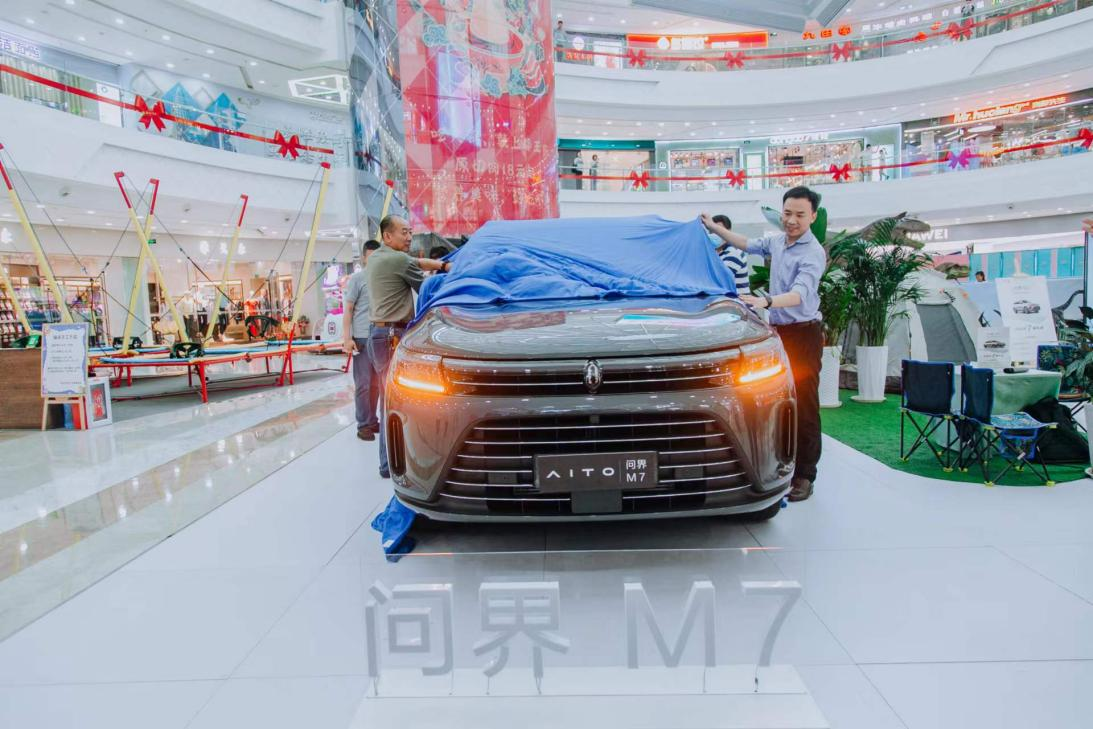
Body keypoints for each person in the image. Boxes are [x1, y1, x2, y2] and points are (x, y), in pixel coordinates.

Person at [702, 186, 826, 503]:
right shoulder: (778, 242)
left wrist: (766, 301)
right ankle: (782, 465)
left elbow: (800, 294)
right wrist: (715, 228)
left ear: (813, 216)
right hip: (780, 333)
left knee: (805, 404)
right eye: (787, 213)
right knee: (779, 400)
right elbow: (747, 243)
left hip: (804, 334)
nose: (792, 220)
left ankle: (805, 476)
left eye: (800, 215)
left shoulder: (812, 253)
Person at [367, 216, 451, 478]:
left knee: (386, 397)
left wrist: (443, 264)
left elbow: (416, 262)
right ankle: (388, 465)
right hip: (392, 335)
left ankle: (387, 462)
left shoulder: (377, 257)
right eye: (403, 232)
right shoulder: (398, 260)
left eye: (410, 232)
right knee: (394, 401)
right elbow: (427, 287)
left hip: (378, 334)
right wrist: (454, 277)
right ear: (387, 236)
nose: (409, 237)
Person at [343, 240, 382, 441]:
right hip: (361, 337)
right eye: (371, 256)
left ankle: (372, 420)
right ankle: (363, 424)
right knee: (363, 383)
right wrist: (347, 338)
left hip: (379, 337)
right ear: (364, 258)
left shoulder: (383, 277)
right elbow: (348, 309)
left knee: (376, 383)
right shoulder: (357, 279)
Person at [709, 214, 751, 296]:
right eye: (712, 231)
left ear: (728, 232)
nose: (715, 234)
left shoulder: (734, 252)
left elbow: (719, 278)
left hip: (739, 301)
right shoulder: (713, 252)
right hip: (725, 300)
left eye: (718, 231)